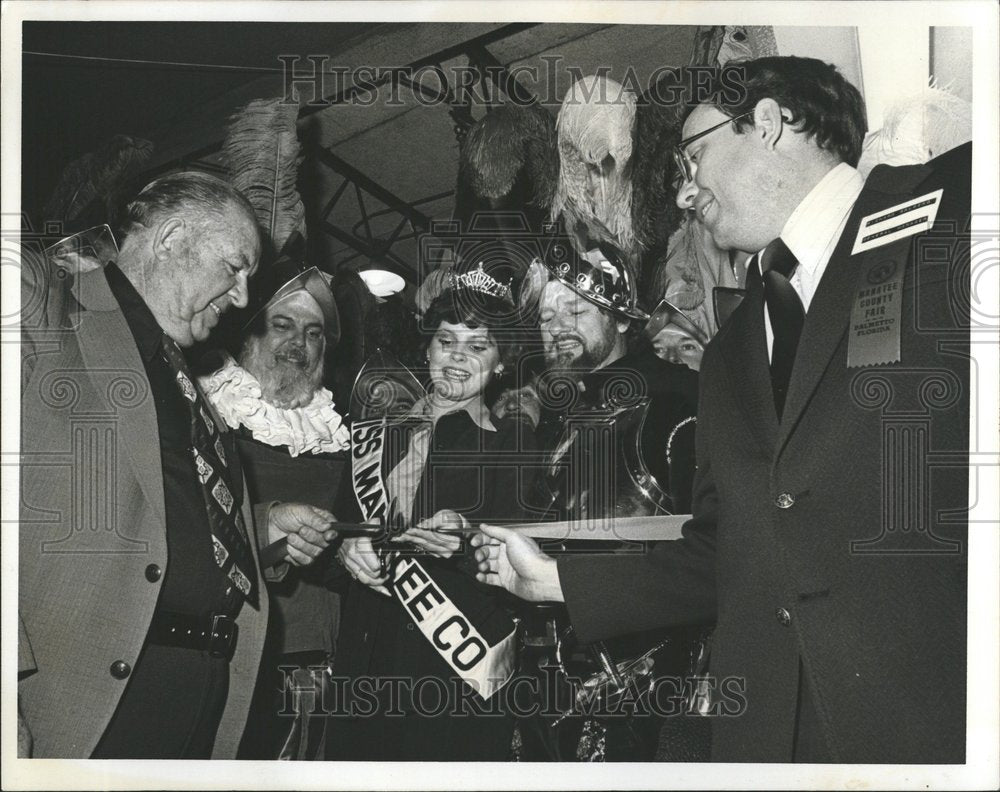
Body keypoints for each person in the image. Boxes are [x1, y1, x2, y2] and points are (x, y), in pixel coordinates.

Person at [474, 56, 970, 764]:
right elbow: (727, 549)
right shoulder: (733, 348)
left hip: (931, 725)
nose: (682, 194)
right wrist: (551, 580)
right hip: (769, 739)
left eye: (693, 155)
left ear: (768, 123)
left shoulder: (954, 205)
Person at [18, 171, 337, 759]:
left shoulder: (187, 382)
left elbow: (158, 507)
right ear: (170, 238)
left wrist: (257, 528)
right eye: (235, 267)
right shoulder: (39, 298)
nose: (243, 298)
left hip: (191, 710)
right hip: (77, 708)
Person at [324, 265, 543, 761]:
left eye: (478, 344)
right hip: (363, 668)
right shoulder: (375, 436)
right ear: (427, 350)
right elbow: (328, 542)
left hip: (452, 676)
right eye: (447, 340)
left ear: (502, 364)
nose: (458, 356)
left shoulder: (514, 445)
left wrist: (468, 540)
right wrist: (344, 551)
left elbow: (528, 563)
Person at [512, 241, 703, 761]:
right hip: (545, 688)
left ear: (621, 319)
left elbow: (713, 556)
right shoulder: (557, 416)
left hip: (640, 698)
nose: (555, 325)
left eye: (574, 309)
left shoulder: (678, 400)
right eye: (546, 315)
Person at [198, 266, 351, 759]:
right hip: (220, 647)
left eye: (313, 333)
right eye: (282, 325)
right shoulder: (204, 412)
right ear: (248, 333)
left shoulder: (338, 434)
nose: (298, 344)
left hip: (308, 656)